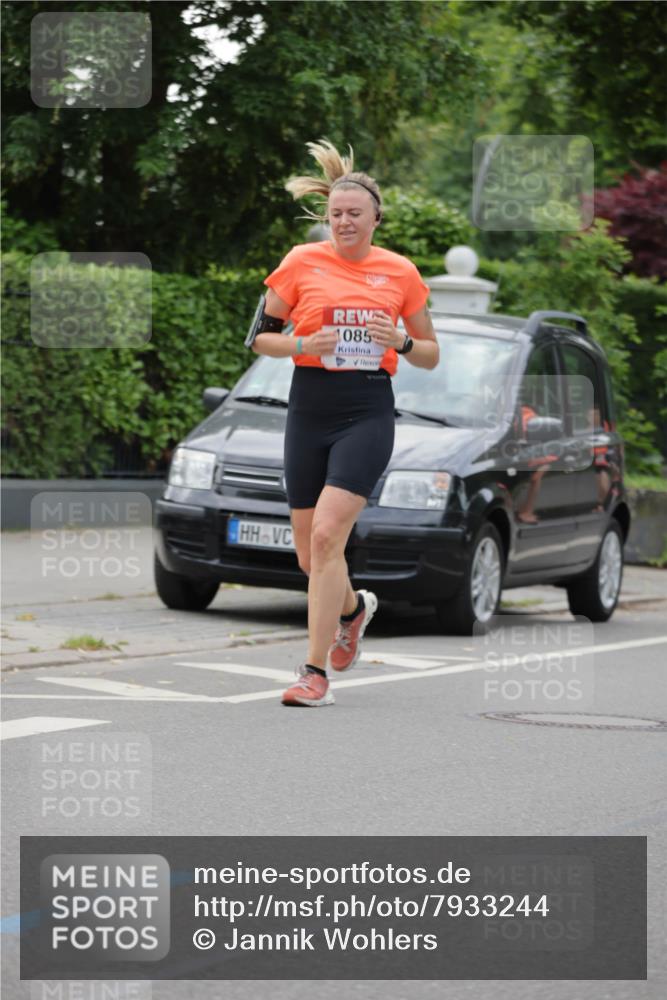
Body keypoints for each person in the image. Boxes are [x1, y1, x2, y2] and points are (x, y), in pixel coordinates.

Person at [252, 139, 439, 707]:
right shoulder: (300, 261)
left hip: (367, 410)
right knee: (311, 557)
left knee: (328, 536)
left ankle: (314, 674)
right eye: (336, 214)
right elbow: (259, 338)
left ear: (376, 219)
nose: (344, 222)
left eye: (355, 213)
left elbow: (431, 353)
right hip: (309, 408)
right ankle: (354, 611)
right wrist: (303, 343)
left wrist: (401, 341)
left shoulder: (400, 272)